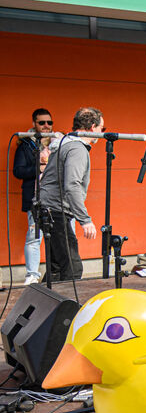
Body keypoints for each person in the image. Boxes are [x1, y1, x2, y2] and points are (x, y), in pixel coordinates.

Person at [36, 107, 102, 281]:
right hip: (54, 211)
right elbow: (72, 185)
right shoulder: (77, 148)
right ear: (92, 127)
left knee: (57, 266)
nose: (102, 133)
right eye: (101, 128)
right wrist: (85, 220)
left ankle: (47, 298)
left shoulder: (65, 144)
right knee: (72, 267)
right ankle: (65, 300)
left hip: (47, 208)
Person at [12, 108, 56, 285]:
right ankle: (32, 275)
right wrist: (39, 168)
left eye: (49, 122)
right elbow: (18, 171)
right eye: (42, 122)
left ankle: (59, 272)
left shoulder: (58, 142)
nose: (46, 126)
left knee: (60, 236)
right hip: (35, 198)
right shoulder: (26, 145)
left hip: (56, 198)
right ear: (34, 124)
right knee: (34, 237)